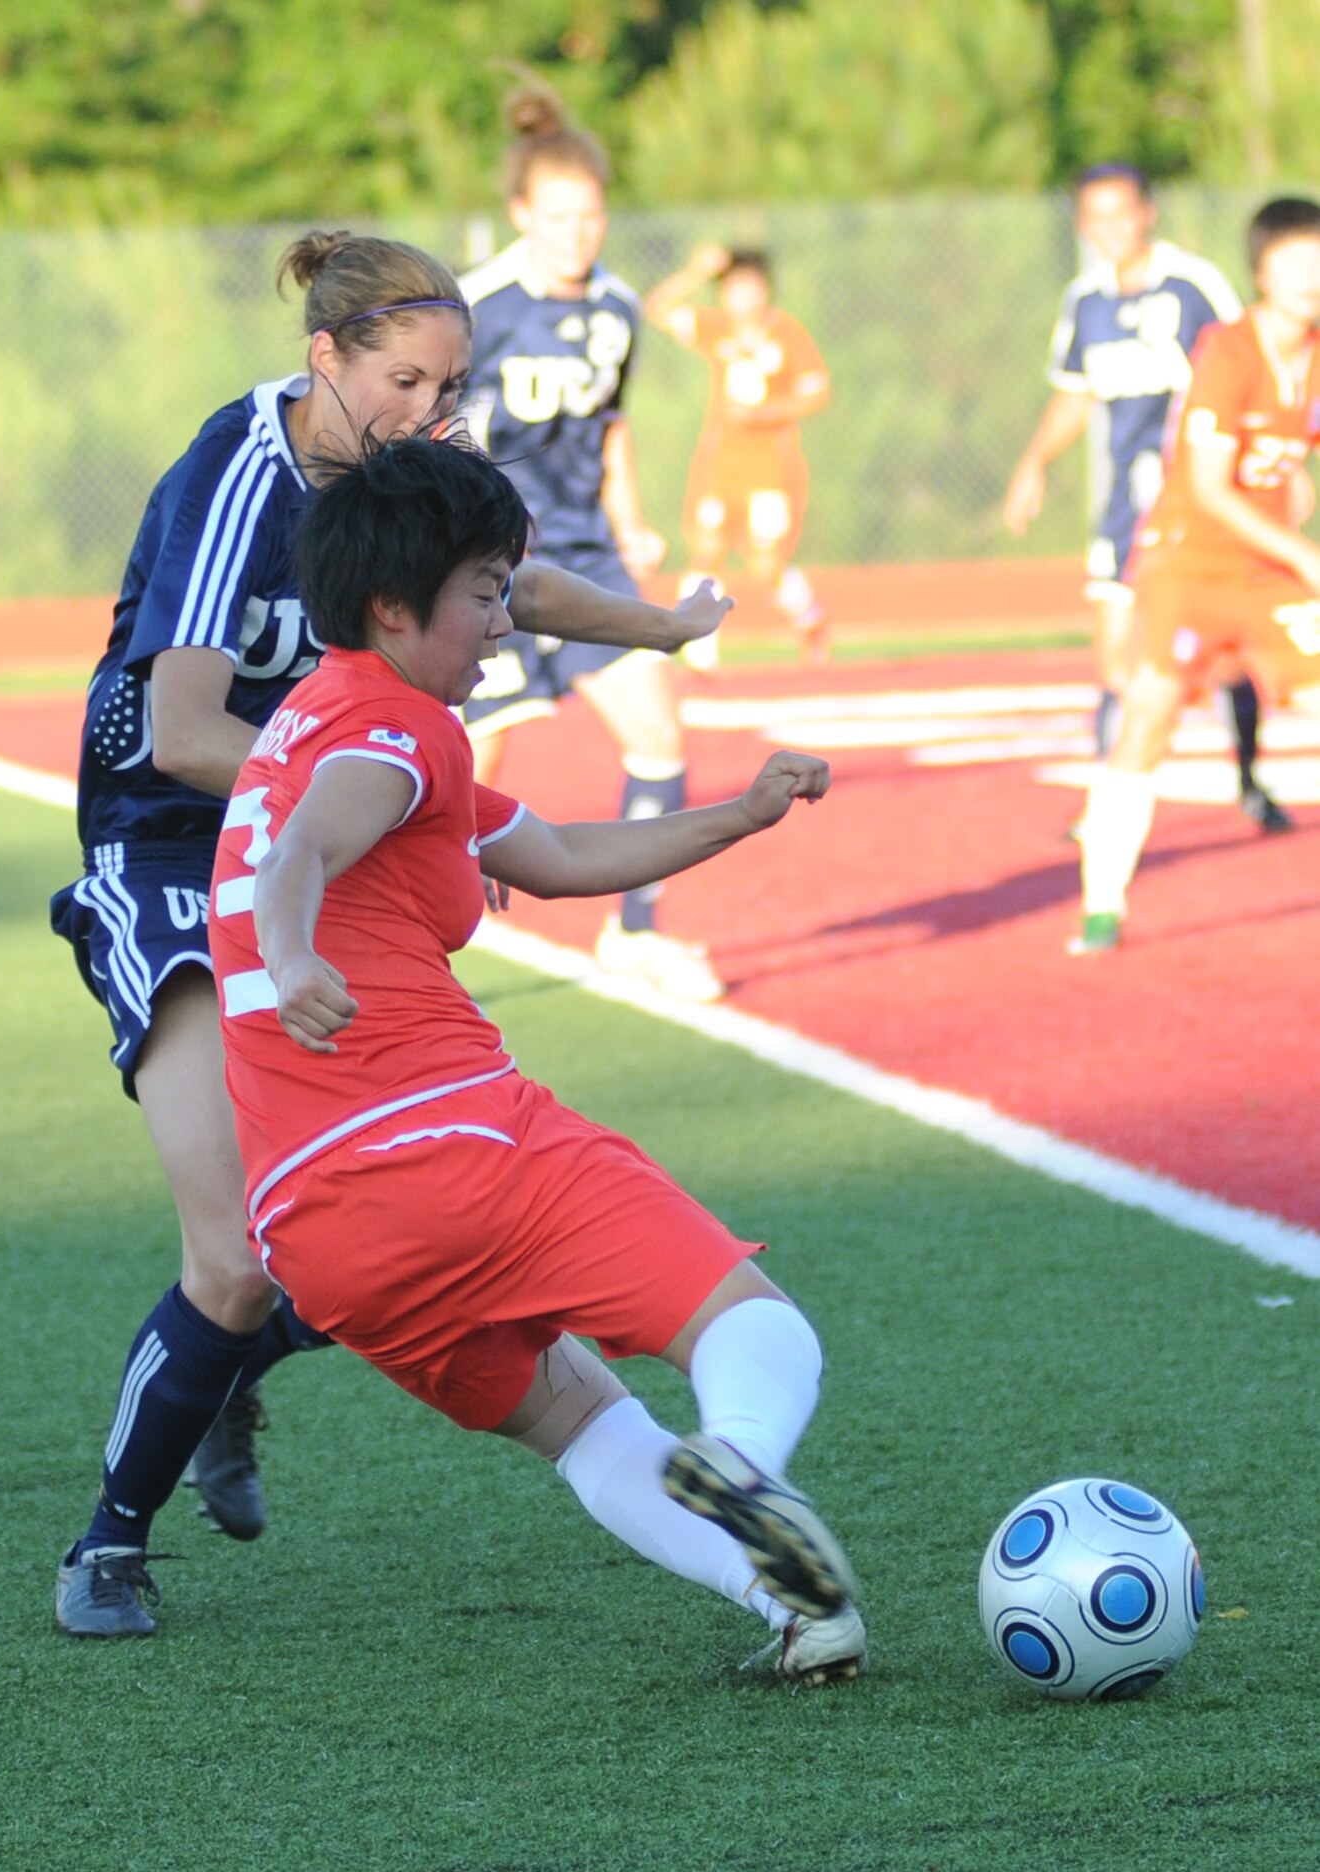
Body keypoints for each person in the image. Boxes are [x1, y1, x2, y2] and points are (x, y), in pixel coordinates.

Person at [52, 231, 731, 1637]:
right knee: (237, 1253)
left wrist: (660, 628)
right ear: (325, 361)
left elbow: (508, 585)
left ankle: (240, 1359)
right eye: (406, 381)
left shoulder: (403, 464)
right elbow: (183, 735)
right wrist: (378, 807)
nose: (435, 410)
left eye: (452, 381)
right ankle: (109, 1542)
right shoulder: (237, 479)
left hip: (328, 824)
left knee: (345, 1229)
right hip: (174, 849)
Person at [204, 432, 868, 1688]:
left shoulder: (317, 716)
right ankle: (740, 1454)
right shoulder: (397, 733)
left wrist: (740, 809)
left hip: (317, 1228)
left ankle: (793, 1606)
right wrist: (293, 957)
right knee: (751, 1321)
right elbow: (302, 855)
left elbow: (554, 853)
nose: (503, 623)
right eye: (482, 593)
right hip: (452, 1142)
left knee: (579, 1423)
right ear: (395, 609)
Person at [459, 81, 724, 1005]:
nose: (578, 231)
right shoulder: (476, 304)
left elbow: (610, 427)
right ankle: (398, 945)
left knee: (658, 734)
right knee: (465, 768)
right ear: (521, 212)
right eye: (558, 214)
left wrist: (631, 523)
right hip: (488, 563)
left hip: (585, 553)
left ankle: (635, 931)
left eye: (592, 213)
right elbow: (429, 423)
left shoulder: (616, 307)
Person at [1004, 162, 1291, 833]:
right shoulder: (1084, 300)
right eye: (1095, 217)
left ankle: (1248, 780)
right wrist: (1033, 463)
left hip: (1197, 504)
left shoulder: (1192, 287)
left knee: (1222, 658)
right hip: (1123, 505)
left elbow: (1249, 364)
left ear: (1147, 213)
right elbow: (1075, 391)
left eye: (1121, 213)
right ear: (1081, 225)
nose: (1109, 228)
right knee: (1112, 658)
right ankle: (1105, 806)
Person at [1071, 197, 1320, 954]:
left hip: (1265, 571)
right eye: (1295, 261)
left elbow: (1288, 461)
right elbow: (1210, 488)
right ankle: (1101, 905)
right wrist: (1303, 553)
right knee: (1147, 711)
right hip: (1187, 563)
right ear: (1260, 272)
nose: (1311, 275)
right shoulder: (1228, 350)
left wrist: (1295, 498)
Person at [643, 243, 833, 670]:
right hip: (720, 465)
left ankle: (811, 623)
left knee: (766, 564)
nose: (741, 297)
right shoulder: (716, 328)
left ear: (766, 289)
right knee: (706, 549)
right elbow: (657, 308)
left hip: (770, 468)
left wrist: (763, 414)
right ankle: (698, 652)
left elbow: (818, 392)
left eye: (749, 286)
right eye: (731, 288)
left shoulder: (786, 334)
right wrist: (696, 269)